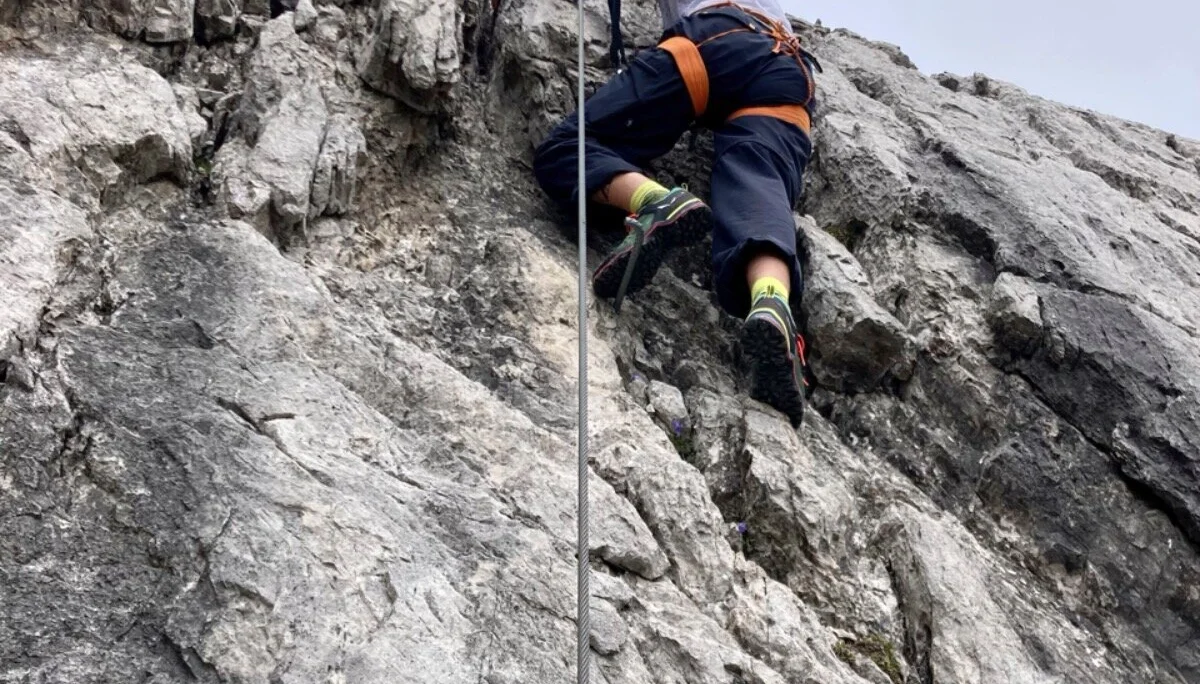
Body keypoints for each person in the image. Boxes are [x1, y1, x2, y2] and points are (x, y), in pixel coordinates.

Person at [532, 0, 818, 426]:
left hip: (714, 40)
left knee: (565, 150)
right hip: (787, 72)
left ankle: (655, 202)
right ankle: (772, 304)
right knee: (760, 188)